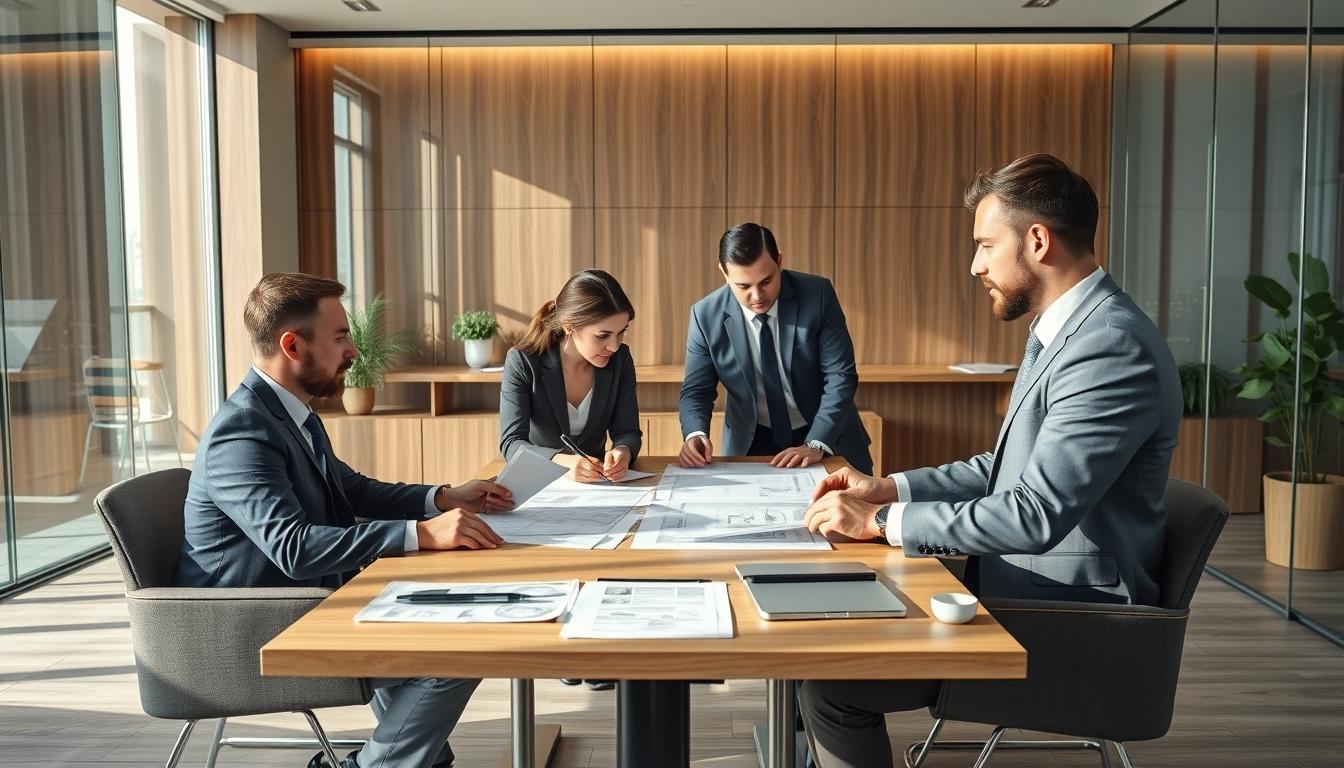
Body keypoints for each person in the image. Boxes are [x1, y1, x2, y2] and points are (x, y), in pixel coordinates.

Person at [797, 154, 1181, 768]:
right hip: (1019, 586)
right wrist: (887, 489)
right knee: (824, 635)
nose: (975, 265)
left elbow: (1034, 514)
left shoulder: (1109, 347)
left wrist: (878, 524)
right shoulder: (1065, 331)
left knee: (832, 686)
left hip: (1068, 621)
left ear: (1037, 241)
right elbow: (1001, 468)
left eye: (984, 244)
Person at [177, 272, 513, 768]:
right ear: (293, 345)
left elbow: (351, 489)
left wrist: (442, 498)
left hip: (308, 605)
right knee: (458, 648)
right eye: (340, 338)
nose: (353, 351)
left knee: (447, 625)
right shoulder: (242, 432)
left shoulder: (289, 413)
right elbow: (293, 548)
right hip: (253, 634)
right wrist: (421, 534)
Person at [678, 223, 872, 474]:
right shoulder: (705, 315)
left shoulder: (818, 295)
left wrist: (815, 443)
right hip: (751, 442)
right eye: (743, 286)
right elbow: (696, 390)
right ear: (724, 273)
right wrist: (695, 433)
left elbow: (840, 376)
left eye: (766, 281)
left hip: (825, 436)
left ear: (779, 261)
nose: (757, 296)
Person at [499, 269, 642, 484]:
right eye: (602, 335)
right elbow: (512, 443)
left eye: (621, 332)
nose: (614, 346)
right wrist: (562, 463)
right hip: (540, 485)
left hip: (599, 486)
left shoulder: (621, 359)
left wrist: (623, 451)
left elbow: (628, 431)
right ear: (569, 326)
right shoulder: (522, 361)